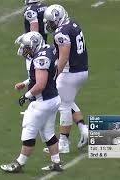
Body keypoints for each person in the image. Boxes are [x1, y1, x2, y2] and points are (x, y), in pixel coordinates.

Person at [0, 32, 63, 172]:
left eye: (26, 47)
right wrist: (26, 82)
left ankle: (19, 164)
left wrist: (26, 95)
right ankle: (57, 162)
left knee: (29, 130)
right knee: (48, 133)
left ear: (34, 45)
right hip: (53, 98)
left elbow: (40, 84)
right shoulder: (48, 49)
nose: (24, 50)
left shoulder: (40, 59)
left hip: (42, 102)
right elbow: (46, 73)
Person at [43, 4, 89, 153]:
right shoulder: (72, 23)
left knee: (64, 106)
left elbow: (63, 57)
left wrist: (55, 74)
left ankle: (63, 143)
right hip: (82, 70)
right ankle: (84, 130)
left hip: (70, 73)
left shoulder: (61, 32)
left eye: (51, 21)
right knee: (67, 100)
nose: (49, 24)